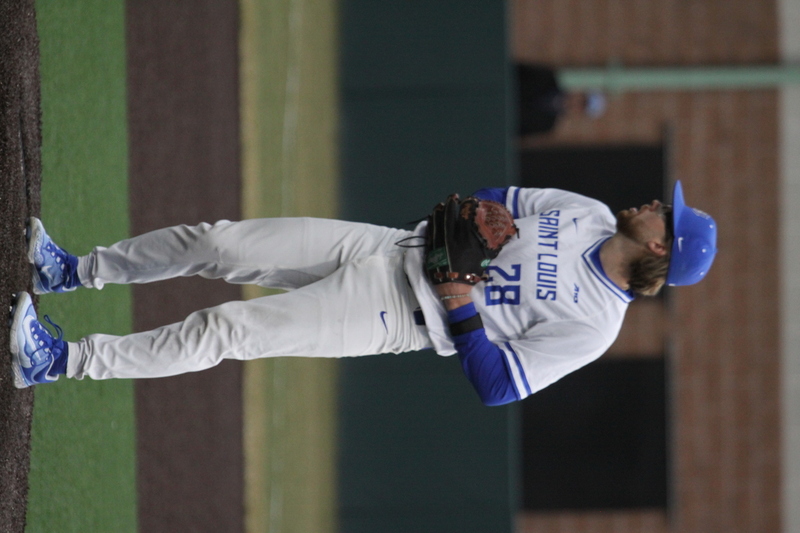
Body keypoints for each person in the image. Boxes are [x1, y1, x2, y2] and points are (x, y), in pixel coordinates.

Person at [9, 181, 717, 406]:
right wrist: (482, 214)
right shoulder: (589, 212)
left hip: (392, 314)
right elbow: (499, 199)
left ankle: (57, 360)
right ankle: (70, 271)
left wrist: (461, 304)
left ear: (661, 247)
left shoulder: (594, 325)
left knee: (226, 329)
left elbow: (500, 386)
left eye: (668, 214)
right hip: (384, 244)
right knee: (219, 241)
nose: (658, 202)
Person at [516, 63, 607, 136]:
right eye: (582, 99)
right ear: (579, 92)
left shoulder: (546, 125)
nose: (576, 104)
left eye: (581, 108)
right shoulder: (547, 78)